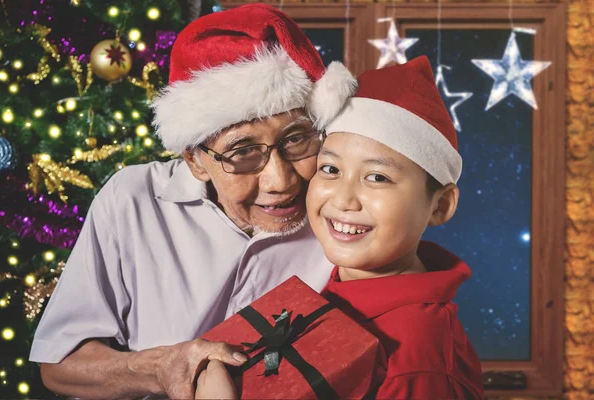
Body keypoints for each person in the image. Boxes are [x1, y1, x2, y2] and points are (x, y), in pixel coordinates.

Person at [28, 4, 355, 399]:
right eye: (242, 151)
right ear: (195, 160)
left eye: (296, 138)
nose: (281, 181)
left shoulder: (341, 211)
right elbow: (59, 364)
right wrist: (157, 368)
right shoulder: (132, 199)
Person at [194, 56, 484, 399]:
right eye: (330, 169)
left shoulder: (421, 361)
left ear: (440, 205)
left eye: (377, 177)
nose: (344, 199)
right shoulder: (326, 289)